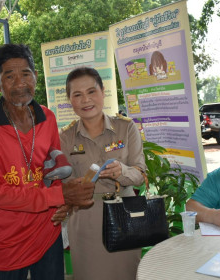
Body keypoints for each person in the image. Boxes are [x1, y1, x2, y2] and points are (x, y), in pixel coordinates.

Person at [0, 43, 95, 279]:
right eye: (9, 76)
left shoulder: (47, 117)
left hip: (48, 231)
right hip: (6, 239)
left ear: (35, 76)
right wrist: (60, 196)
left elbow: (57, 170)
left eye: (26, 74)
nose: (20, 83)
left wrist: (63, 204)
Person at [60, 67, 147, 280]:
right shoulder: (65, 137)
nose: (86, 100)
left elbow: (140, 175)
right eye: (77, 95)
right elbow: (62, 186)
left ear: (103, 91)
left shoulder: (125, 128)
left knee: (127, 274)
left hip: (124, 217)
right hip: (85, 220)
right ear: (69, 99)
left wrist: (122, 171)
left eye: (91, 92)